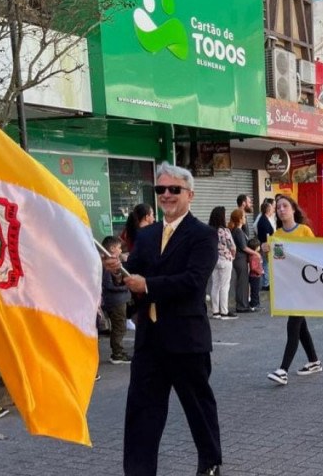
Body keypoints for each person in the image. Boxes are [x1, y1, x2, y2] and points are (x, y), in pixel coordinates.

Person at [122, 162, 222, 476]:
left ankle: (210, 463)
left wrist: (148, 285)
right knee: (142, 413)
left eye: (173, 189)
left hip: (186, 339)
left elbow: (193, 281)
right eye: (160, 189)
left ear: (189, 194)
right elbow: (133, 272)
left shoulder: (203, 235)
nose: (166, 195)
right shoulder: (147, 234)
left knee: (198, 408)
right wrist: (117, 268)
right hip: (149, 340)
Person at [266, 196, 322, 385]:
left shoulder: (304, 231)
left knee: (293, 326)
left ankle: (283, 370)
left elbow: (315, 256)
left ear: (293, 209)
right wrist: (267, 248)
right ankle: (314, 361)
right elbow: (278, 261)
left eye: (285, 206)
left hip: (303, 287)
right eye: (278, 207)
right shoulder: (277, 235)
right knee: (301, 327)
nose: (281, 210)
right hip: (289, 287)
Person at [101, 235, 132, 364]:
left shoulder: (114, 261)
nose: (120, 250)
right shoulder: (109, 264)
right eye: (119, 248)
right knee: (119, 327)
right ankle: (117, 353)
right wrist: (126, 285)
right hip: (116, 301)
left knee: (119, 326)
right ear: (112, 248)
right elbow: (108, 285)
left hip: (118, 300)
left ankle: (118, 351)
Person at [229, 208, 262, 313]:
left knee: (242, 282)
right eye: (243, 217)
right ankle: (242, 306)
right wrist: (255, 253)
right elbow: (244, 247)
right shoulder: (238, 231)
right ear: (239, 219)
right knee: (242, 283)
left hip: (240, 259)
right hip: (240, 259)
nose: (245, 218)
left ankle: (242, 304)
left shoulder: (238, 230)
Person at [208, 206, 237, 320]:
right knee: (224, 286)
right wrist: (232, 255)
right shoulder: (225, 231)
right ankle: (224, 312)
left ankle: (215, 312)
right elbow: (232, 246)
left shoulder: (209, 230)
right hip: (225, 259)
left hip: (214, 260)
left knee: (215, 285)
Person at [255, 201, 275, 291]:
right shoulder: (264, 221)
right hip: (265, 245)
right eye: (271, 209)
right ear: (268, 210)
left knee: (266, 264)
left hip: (264, 244)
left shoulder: (264, 219)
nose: (273, 211)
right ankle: (266, 284)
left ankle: (266, 282)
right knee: (266, 264)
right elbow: (267, 235)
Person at [246, 238, 264, 308]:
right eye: (259, 246)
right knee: (255, 291)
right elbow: (253, 267)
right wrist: (259, 271)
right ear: (256, 247)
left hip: (256, 275)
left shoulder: (253, 255)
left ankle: (256, 303)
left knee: (256, 290)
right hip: (255, 276)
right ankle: (254, 303)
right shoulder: (254, 256)